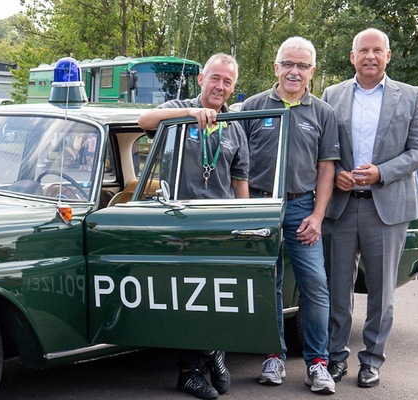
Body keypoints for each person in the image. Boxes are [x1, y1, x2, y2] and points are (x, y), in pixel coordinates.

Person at [322, 28, 418, 389]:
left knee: (381, 294)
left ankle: (371, 360)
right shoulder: (332, 95)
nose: (370, 56)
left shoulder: (411, 96)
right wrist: (337, 172)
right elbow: (323, 147)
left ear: (388, 55)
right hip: (340, 207)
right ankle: (335, 358)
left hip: (386, 209)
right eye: (363, 50)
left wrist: (382, 172)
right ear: (352, 56)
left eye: (377, 50)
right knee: (337, 290)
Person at [139, 53, 247, 399]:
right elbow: (144, 120)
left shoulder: (235, 125)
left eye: (227, 81)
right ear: (201, 79)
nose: (220, 86)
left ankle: (215, 351)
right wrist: (189, 114)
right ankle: (190, 372)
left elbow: (240, 181)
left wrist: (245, 222)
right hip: (181, 221)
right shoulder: (178, 109)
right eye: (215, 78)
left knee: (219, 295)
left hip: (220, 225)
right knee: (188, 298)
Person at [240, 36, 340, 394]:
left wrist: (317, 215)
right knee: (268, 284)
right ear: (276, 67)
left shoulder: (323, 113)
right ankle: (272, 356)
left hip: (302, 208)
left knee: (315, 285)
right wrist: (246, 211)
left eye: (302, 65)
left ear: (312, 71)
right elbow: (237, 165)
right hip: (259, 206)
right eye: (288, 63)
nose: (294, 71)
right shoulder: (252, 106)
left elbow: (326, 168)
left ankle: (317, 363)